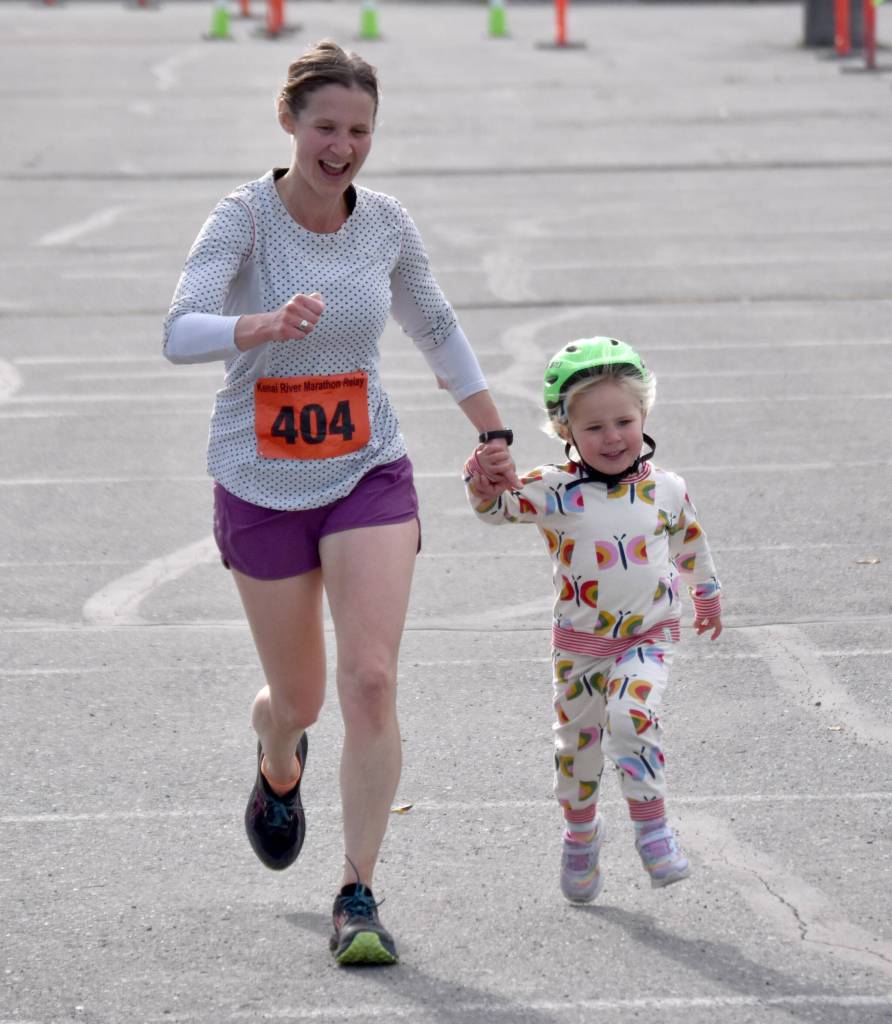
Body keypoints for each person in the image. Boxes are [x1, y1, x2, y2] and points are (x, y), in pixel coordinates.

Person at [162, 40, 517, 965]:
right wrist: (258, 325)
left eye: (360, 130)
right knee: (303, 698)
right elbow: (178, 328)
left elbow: (433, 322)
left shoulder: (386, 222)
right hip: (260, 478)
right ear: (289, 122)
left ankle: (357, 891)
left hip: (367, 469)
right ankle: (278, 757)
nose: (343, 146)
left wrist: (493, 433)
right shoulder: (243, 218)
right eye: (326, 126)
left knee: (370, 679)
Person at [464, 336, 722, 903]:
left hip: (647, 635)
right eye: (595, 427)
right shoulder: (555, 491)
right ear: (566, 433)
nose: (613, 437)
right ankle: (581, 834)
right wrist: (484, 476)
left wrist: (706, 594)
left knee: (632, 716)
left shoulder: (667, 489)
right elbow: (497, 507)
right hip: (580, 646)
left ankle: (653, 830)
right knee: (575, 749)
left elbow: (690, 544)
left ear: (644, 416)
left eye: (624, 421)